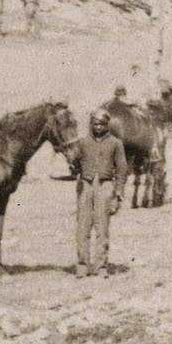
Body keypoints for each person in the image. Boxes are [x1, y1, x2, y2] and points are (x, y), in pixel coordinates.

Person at [70, 108, 127, 277]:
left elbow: (122, 170)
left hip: (105, 185)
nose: (98, 127)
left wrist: (118, 195)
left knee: (102, 227)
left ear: (107, 125)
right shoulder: (82, 142)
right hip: (85, 184)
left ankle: (101, 266)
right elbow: (75, 165)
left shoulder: (116, 144)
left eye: (102, 124)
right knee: (83, 226)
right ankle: (82, 265)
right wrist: (73, 163)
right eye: (95, 124)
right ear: (91, 124)